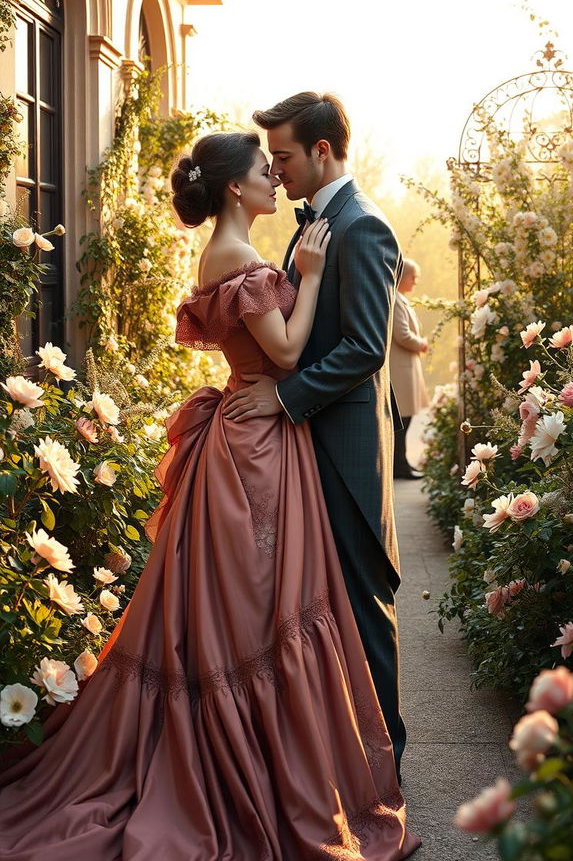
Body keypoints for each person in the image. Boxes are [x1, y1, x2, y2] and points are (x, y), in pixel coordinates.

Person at [0, 131, 420, 861]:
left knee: (260, 608)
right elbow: (285, 352)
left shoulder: (247, 252)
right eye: (265, 171)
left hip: (258, 440)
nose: (274, 181)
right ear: (234, 188)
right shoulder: (239, 256)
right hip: (252, 453)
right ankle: (256, 770)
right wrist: (315, 275)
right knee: (258, 608)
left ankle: (277, 762)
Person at [224, 92, 407, 777]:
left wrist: (283, 398)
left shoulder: (362, 227)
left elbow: (364, 347)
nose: (278, 172)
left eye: (286, 157)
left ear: (322, 151)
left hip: (347, 455)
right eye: (270, 160)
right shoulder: (313, 229)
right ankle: (338, 763)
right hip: (308, 452)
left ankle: (387, 769)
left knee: (364, 614)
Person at [389, 259, 429, 479]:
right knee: (401, 422)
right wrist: (421, 343)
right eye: (413, 277)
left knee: (405, 421)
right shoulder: (395, 300)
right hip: (400, 371)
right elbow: (402, 335)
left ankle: (402, 464)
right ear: (402, 276)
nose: (415, 282)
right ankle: (400, 466)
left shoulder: (401, 300)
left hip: (406, 368)